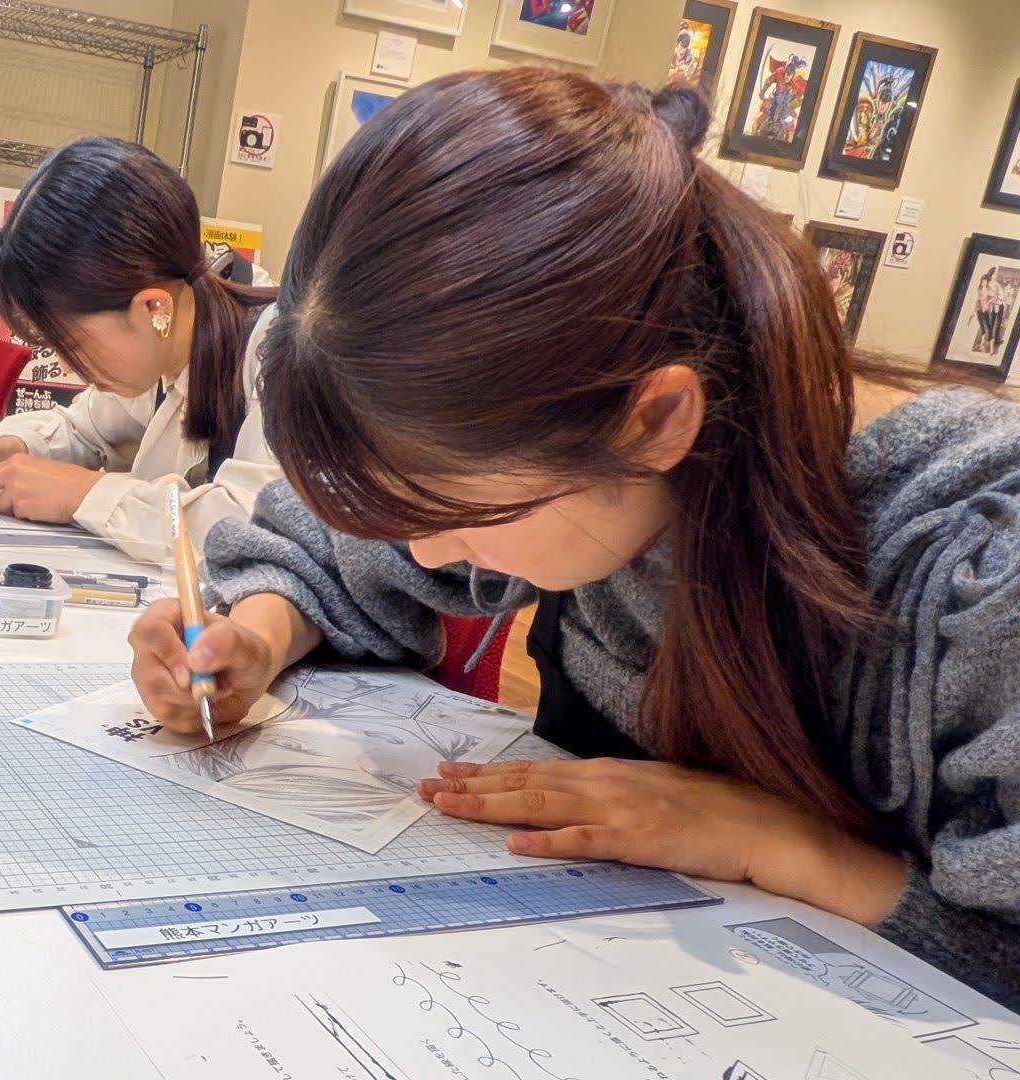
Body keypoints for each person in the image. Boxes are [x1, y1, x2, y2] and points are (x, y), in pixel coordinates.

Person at [128, 69, 1020, 1009]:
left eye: (461, 514)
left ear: (657, 420)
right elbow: (340, 552)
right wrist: (254, 638)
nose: (424, 554)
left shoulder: (984, 575)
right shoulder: (600, 464)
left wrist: (777, 843)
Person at [0, 137, 282, 561]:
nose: (65, 364)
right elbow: (84, 430)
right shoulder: (163, 348)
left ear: (153, 308)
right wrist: (11, 448)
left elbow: (255, 526)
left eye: (72, 343)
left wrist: (83, 493)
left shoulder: (280, 354)